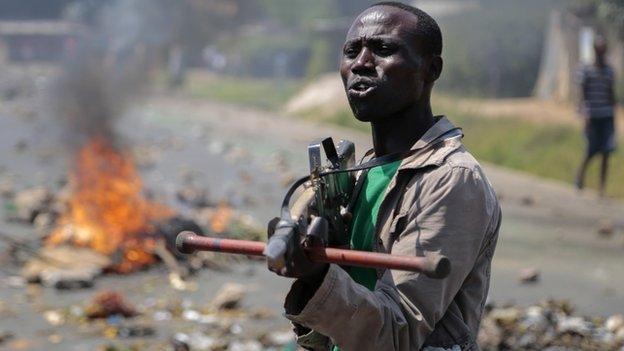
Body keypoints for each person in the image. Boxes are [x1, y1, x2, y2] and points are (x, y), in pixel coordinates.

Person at [267, 2, 501, 350]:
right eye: (351, 51)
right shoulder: (368, 168)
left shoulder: (451, 180)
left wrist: (318, 279)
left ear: (431, 69)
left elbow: (399, 332)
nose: (361, 63)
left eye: (383, 49)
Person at [575, 35, 617, 197]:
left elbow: (611, 94)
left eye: (603, 51)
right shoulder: (586, 70)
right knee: (591, 150)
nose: (601, 54)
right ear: (594, 51)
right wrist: (584, 112)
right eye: (598, 51)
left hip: (606, 115)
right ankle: (580, 177)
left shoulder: (609, 71)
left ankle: (601, 187)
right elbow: (582, 93)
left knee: (606, 151)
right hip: (593, 115)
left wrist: (614, 113)